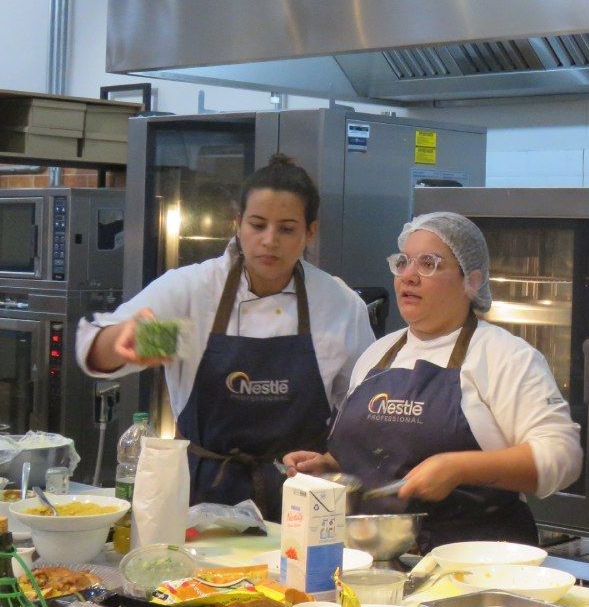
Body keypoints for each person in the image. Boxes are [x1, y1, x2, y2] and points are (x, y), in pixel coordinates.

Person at [78, 154, 375, 520]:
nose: (269, 241)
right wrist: (120, 340)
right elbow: (98, 347)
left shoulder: (337, 303)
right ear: (237, 225)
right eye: (257, 225)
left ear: (310, 231)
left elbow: (361, 408)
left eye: (286, 229)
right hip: (204, 500)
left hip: (302, 498)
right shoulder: (193, 293)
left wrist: (333, 458)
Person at [283, 212, 582, 549]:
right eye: (403, 262)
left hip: (471, 566)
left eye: (428, 264)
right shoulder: (378, 354)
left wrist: (459, 467)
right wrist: (330, 467)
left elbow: (564, 456)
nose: (408, 276)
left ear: (471, 280)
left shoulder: (505, 356)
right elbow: (377, 455)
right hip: (375, 555)